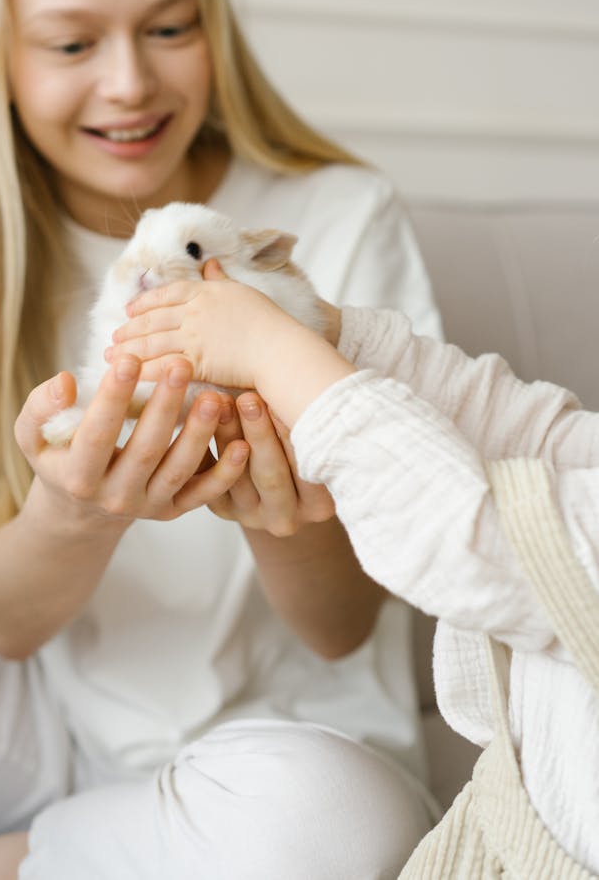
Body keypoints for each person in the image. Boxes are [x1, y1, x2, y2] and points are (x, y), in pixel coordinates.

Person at [0, 0, 442, 880]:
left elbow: (345, 629)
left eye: (169, 28)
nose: (129, 84)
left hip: (289, 750)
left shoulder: (335, 223)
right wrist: (74, 510)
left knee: (330, 825)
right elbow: (2, 622)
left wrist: (286, 514)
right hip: (39, 736)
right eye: (72, 45)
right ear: (1, 57)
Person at [111, 261, 599, 876]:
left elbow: (477, 542)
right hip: (502, 835)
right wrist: (328, 333)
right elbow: (536, 437)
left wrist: (279, 354)